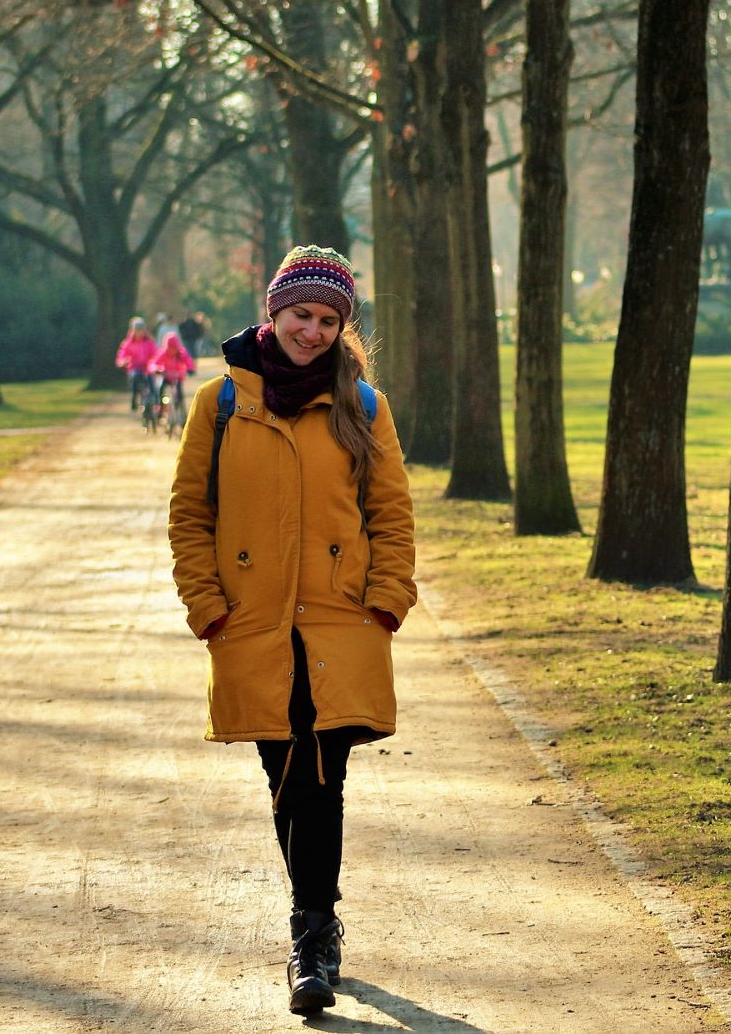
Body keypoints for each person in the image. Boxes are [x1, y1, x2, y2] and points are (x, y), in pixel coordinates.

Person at [166, 246, 416, 1017]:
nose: (312, 330)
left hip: (341, 621)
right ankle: (319, 918)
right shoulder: (218, 403)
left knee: (321, 773)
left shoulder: (362, 404)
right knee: (284, 775)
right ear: (273, 310)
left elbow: (392, 513)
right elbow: (189, 515)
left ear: (342, 328)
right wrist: (206, 603)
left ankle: (311, 935)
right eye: (301, 314)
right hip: (250, 621)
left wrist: (387, 599)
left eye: (328, 319)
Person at [115, 317, 157, 411]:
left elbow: (155, 354)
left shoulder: (149, 342)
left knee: (151, 382)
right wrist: (122, 362)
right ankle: (134, 398)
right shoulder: (128, 343)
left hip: (147, 368)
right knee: (134, 377)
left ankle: (155, 402)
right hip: (134, 368)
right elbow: (122, 355)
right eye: (137, 330)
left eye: (141, 330)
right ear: (133, 331)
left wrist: (154, 363)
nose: (139, 332)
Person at [147, 331, 196, 413]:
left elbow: (189, 361)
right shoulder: (163, 353)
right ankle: (161, 408)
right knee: (161, 390)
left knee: (179, 394)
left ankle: (180, 411)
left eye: (174, 348)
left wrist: (190, 368)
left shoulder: (182, 353)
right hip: (166, 377)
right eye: (170, 348)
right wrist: (157, 369)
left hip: (178, 378)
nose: (172, 350)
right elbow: (153, 363)